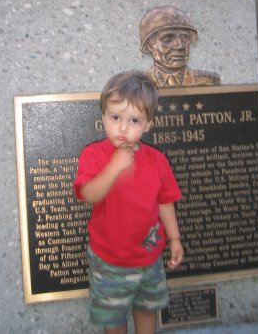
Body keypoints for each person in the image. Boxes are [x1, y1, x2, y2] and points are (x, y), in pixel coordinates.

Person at [73, 71, 184, 334]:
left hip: (149, 259)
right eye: (115, 118)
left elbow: (165, 202)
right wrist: (115, 166)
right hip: (109, 262)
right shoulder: (94, 155)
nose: (123, 127)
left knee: (146, 309)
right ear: (103, 117)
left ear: (148, 124)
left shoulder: (157, 161)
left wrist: (175, 238)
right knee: (113, 318)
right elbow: (88, 194)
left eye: (134, 120)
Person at [140, 5, 221, 88]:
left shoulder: (207, 82)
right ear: (149, 45)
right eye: (167, 39)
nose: (179, 45)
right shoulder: (137, 84)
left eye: (184, 38)